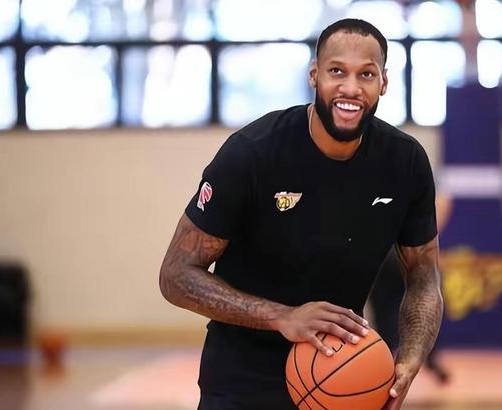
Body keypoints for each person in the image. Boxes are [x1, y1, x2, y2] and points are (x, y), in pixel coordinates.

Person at [159, 18, 443, 410]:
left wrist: (410, 357)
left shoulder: (404, 163)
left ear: (384, 83)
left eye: (366, 74)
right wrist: (283, 317)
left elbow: (424, 275)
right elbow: (175, 275)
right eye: (336, 71)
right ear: (314, 75)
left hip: (340, 375)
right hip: (242, 383)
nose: (351, 88)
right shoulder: (252, 153)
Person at [369, 194, 452, 385]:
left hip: (396, 248)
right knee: (423, 294)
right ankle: (392, 358)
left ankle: (386, 360)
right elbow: (442, 202)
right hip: (404, 249)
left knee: (413, 297)